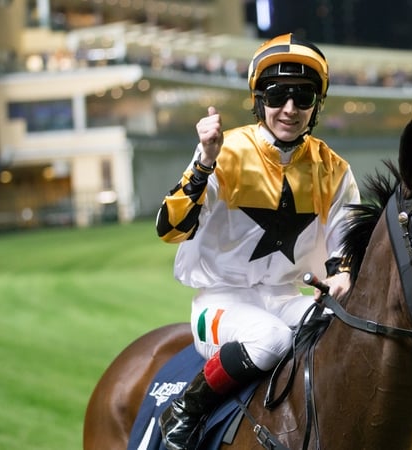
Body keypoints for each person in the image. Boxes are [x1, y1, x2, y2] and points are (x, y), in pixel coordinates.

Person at [154, 33, 360, 450]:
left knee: (347, 333)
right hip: (220, 301)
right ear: (258, 98)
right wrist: (204, 162)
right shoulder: (225, 152)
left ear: (317, 106)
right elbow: (170, 228)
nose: (289, 109)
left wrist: (342, 275)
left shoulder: (333, 168)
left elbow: (347, 240)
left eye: (302, 98)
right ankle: (186, 410)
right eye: (278, 94)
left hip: (286, 296)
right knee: (271, 340)